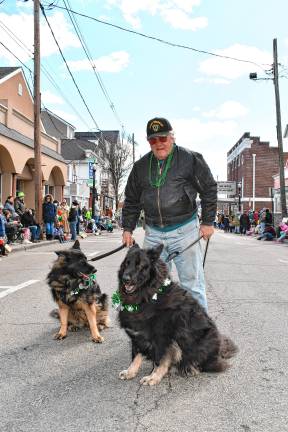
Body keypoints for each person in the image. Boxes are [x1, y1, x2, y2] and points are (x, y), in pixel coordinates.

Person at [121, 117, 217, 311]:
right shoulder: (140, 167)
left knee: (192, 285)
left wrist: (208, 222)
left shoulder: (190, 159)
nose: (158, 144)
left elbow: (209, 189)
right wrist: (127, 228)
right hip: (154, 233)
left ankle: (199, 334)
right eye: (153, 140)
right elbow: (131, 199)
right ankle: (159, 332)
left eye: (162, 138)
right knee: (153, 286)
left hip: (185, 230)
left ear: (172, 137)